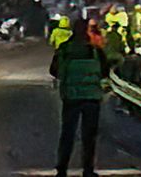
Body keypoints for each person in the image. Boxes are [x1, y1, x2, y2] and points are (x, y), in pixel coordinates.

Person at [49, 15, 111, 177]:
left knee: (67, 134)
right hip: (91, 98)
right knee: (89, 136)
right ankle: (88, 170)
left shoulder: (64, 49)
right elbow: (105, 71)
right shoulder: (95, 51)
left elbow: (54, 71)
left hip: (71, 97)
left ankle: (62, 169)